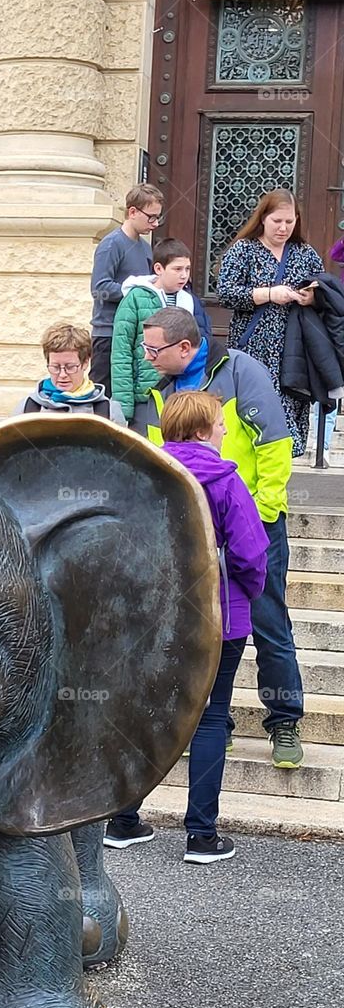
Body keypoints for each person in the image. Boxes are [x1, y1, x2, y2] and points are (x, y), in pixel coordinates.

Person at [133, 307, 305, 769]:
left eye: (154, 349)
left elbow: (273, 442)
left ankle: (284, 721)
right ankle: (214, 723)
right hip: (191, 536)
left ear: (183, 348)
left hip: (251, 529)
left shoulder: (240, 370)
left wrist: (264, 512)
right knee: (198, 630)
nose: (146, 356)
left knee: (269, 626)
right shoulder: (157, 389)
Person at [159, 392, 268, 863]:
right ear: (203, 431)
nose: (225, 431)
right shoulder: (225, 480)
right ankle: (201, 834)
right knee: (211, 717)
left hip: (157, 619)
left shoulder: (149, 476)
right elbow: (250, 553)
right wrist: (250, 591)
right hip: (219, 615)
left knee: (155, 715)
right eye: (220, 424)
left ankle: (123, 820)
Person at [216, 188, 323, 456]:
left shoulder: (305, 253)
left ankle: (277, 483)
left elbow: (324, 291)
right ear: (263, 218)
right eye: (277, 221)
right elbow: (226, 293)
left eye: (290, 221)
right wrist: (268, 294)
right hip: (253, 349)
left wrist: (311, 298)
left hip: (294, 351)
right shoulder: (244, 250)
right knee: (251, 413)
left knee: (287, 421)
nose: (284, 228)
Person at [110, 238, 211, 421]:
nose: (184, 275)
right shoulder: (135, 299)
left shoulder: (190, 301)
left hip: (181, 395)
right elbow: (121, 354)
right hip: (145, 396)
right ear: (158, 269)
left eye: (187, 269)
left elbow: (200, 345)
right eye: (177, 269)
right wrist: (124, 409)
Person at [90, 183, 166, 394]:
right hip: (109, 335)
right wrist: (134, 289)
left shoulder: (144, 247)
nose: (155, 223)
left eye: (158, 217)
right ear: (132, 212)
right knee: (103, 396)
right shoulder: (111, 244)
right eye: (151, 217)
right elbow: (99, 289)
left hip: (135, 336)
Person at [17, 322, 125, 422]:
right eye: (55, 367)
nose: (62, 375)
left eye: (70, 367)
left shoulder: (109, 411)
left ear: (85, 363)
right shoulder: (27, 408)